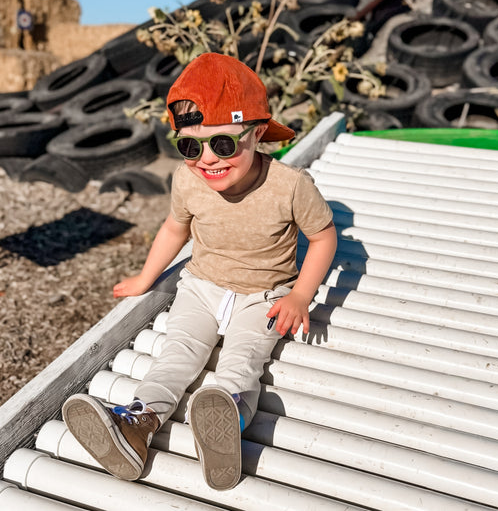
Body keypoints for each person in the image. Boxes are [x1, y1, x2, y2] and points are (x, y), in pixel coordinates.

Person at [62, 52, 337, 491]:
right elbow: (174, 228)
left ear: (257, 133)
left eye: (223, 144)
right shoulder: (188, 179)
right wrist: (146, 277)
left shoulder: (290, 185)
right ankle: (136, 426)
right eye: (190, 146)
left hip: (264, 295)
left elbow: (323, 237)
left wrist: (301, 294)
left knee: (242, 360)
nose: (207, 159)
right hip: (202, 288)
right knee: (176, 356)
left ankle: (226, 421)